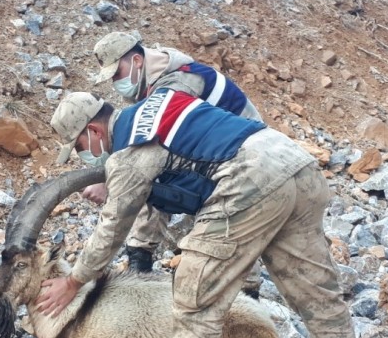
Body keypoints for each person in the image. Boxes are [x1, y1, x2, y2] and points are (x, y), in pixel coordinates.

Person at [39, 91, 378, 338]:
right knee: (313, 287)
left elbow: (112, 227)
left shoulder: (128, 152)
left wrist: (75, 280)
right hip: (293, 161)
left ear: (93, 131)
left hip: (251, 178)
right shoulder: (156, 106)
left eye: (79, 145)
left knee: (192, 291)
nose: (83, 153)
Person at [73, 31, 264, 272]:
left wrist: (110, 181)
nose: (115, 83)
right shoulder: (152, 82)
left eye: (117, 74)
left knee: (230, 223)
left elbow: (147, 155)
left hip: (243, 154)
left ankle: (248, 286)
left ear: (137, 61)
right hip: (213, 150)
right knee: (158, 179)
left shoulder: (178, 83)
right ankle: (139, 257)